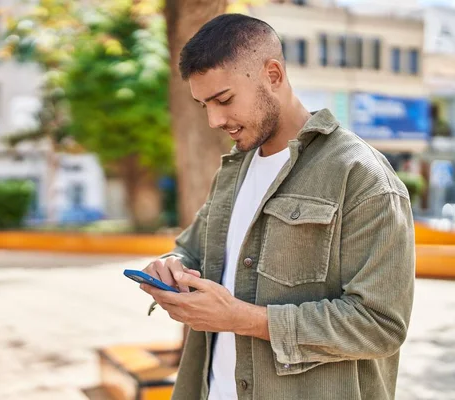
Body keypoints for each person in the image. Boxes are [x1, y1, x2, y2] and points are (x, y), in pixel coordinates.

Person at [140, 13, 415, 400]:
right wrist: (172, 266)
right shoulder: (235, 169)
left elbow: (380, 325)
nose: (214, 120)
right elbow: (193, 249)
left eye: (224, 99)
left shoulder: (362, 176)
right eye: (204, 105)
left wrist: (243, 319)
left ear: (273, 74)